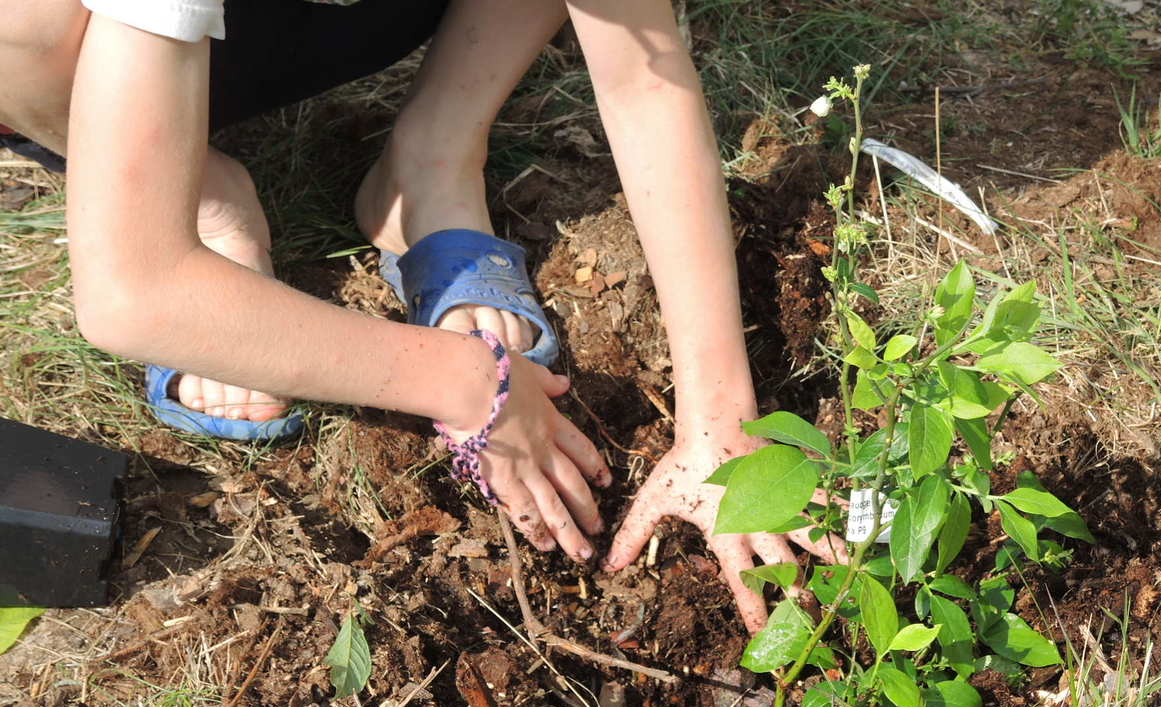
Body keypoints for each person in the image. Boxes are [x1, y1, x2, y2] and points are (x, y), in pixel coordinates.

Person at [0, 0, 838, 629]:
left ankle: (434, 152)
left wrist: (720, 421)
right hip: (70, 53)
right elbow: (128, 293)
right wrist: (466, 382)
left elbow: (642, 79)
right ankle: (192, 193)